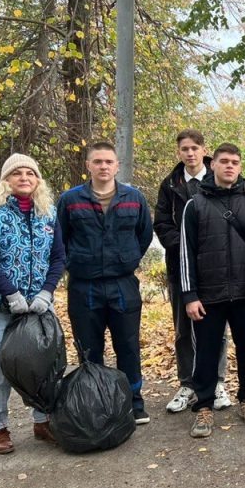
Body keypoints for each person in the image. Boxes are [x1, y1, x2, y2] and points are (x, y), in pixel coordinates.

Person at [0, 153, 66, 454]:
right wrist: (11, 294)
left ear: (38, 180)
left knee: (43, 367)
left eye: (30, 173)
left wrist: (46, 292)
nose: (24, 178)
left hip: (38, 307)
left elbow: (58, 257)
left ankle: (42, 421)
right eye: (17, 173)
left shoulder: (48, 213)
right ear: (6, 180)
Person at [180, 143, 245, 438]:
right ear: (214, 165)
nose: (229, 166)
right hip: (209, 295)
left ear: (240, 166)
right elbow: (186, 253)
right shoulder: (195, 204)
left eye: (234, 162)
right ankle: (204, 406)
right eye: (224, 161)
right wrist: (190, 295)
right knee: (206, 353)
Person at [57, 141, 153, 425]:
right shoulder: (70, 200)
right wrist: (75, 262)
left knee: (128, 346)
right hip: (84, 286)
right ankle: (96, 405)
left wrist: (128, 258)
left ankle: (133, 403)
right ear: (88, 165)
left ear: (117, 166)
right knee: (89, 349)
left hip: (123, 284)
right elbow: (60, 239)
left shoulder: (134, 198)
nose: (103, 166)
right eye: (97, 161)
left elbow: (144, 235)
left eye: (108, 162)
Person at [153, 129, 230, 414]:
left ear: (204, 150)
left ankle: (217, 382)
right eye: (184, 148)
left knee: (217, 329)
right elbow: (162, 224)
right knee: (183, 330)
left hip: (216, 269)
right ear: (179, 152)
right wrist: (186, 247)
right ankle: (188, 384)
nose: (190, 153)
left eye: (194, 148)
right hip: (180, 268)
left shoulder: (219, 179)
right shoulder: (169, 184)